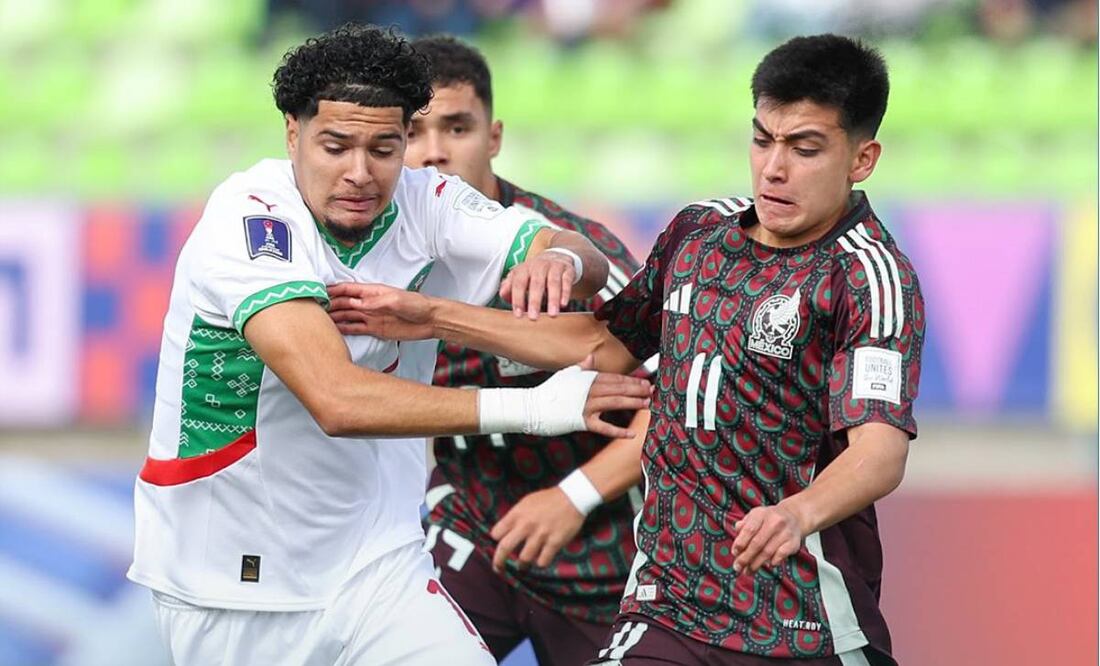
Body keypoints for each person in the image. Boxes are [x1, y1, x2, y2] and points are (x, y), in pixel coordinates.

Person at [328, 34, 925, 666]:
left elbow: (879, 454)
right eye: (761, 140)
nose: (774, 168)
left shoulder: (867, 278)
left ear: (862, 159)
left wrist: (797, 514)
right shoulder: (700, 233)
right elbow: (601, 345)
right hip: (668, 602)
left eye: (805, 148)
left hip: (798, 618)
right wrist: (431, 317)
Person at [125, 24, 651, 666]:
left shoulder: (426, 199)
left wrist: (562, 261)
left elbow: (573, 250)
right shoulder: (252, 221)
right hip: (232, 578)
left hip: (378, 567)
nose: (360, 173)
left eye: (382, 147)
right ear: (293, 134)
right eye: (336, 145)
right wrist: (540, 407)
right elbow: (337, 399)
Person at [397, 34, 650, 666]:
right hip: (471, 533)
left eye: (456, 128)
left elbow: (679, 402)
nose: (433, 154)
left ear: (494, 136)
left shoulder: (572, 253)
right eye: (413, 132)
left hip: (601, 554)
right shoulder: (383, 258)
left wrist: (574, 497)